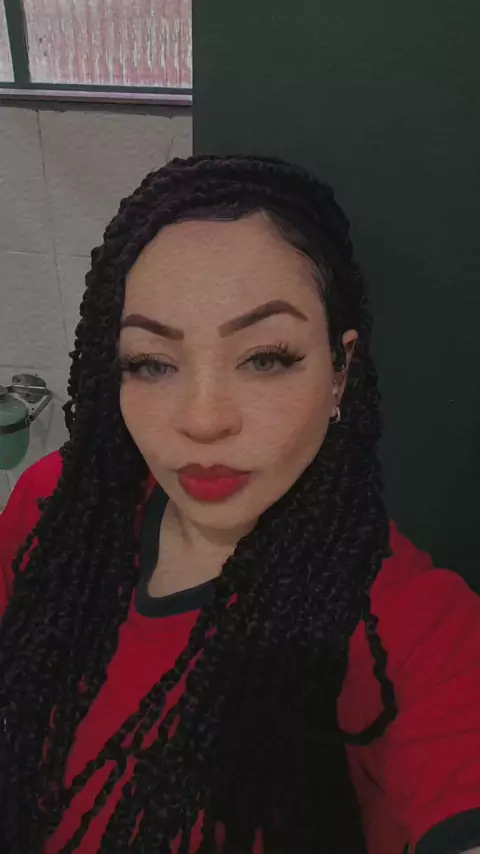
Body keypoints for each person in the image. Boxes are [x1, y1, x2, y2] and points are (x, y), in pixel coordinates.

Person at [0, 154, 479, 854]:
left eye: (265, 358)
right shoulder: (53, 505)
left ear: (340, 372)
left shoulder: (417, 634)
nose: (202, 421)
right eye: (151, 363)